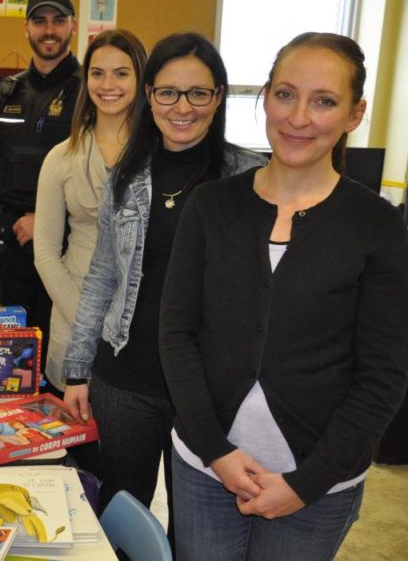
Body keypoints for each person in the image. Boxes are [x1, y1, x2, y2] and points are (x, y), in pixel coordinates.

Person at [160, 33, 408, 561]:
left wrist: (307, 482)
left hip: (318, 483)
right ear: (265, 97)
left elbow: (384, 374)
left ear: (354, 113)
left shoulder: (378, 227)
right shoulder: (211, 206)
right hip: (205, 467)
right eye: (285, 94)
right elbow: (177, 334)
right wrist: (216, 451)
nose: (298, 117)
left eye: (324, 101)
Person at [61, 32, 267, 540]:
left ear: (217, 98)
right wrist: (77, 371)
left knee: (198, 528)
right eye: (168, 92)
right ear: (149, 95)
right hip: (126, 379)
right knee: (121, 518)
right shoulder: (127, 176)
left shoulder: (250, 177)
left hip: (206, 388)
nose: (183, 107)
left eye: (198, 93)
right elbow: (103, 277)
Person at [0, 0, 83, 364]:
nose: (49, 30)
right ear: (27, 28)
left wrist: (45, 222)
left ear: (73, 26)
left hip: (67, 248)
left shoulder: (89, 92)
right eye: (40, 21)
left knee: (56, 357)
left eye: (58, 21)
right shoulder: (5, 92)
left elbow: (95, 178)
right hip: (10, 248)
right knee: (11, 360)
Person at [33, 29, 147, 395]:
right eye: (98, 73)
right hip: (73, 310)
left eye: (121, 73)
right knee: (79, 447)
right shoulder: (61, 158)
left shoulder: (157, 157)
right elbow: (45, 252)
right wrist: (88, 322)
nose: (108, 84)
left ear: (141, 78)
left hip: (140, 327)